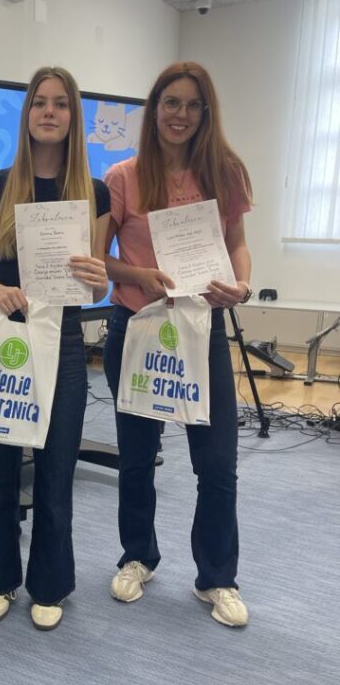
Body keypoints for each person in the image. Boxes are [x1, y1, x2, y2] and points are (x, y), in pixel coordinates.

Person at [101, 60, 253, 627]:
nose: (181, 114)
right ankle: (137, 556)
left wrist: (240, 285)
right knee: (137, 458)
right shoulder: (123, 177)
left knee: (217, 464)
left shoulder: (224, 173)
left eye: (192, 105)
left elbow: (237, 245)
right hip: (137, 329)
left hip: (200, 331)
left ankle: (216, 577)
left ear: (205, 113)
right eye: (171, 103)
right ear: (155, 108)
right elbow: (98, 258)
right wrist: (137, 275)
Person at [0, 66, 110, 632]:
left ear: (73, 117)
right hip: (7, 337)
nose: (49, 112)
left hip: (66, 343)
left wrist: (98, 279)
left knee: (55, 469)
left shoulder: (93, 193)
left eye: (61, 104)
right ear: (26, 113)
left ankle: (49, 583)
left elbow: (95, 289)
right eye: (39, 103)